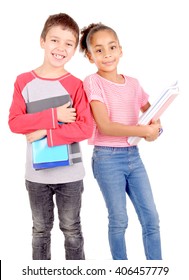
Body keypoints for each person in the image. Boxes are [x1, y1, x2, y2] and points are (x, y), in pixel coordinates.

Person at [8, 13, 93, 260]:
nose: (61, 48)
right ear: (42, 41)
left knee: (72, 230)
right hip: (36, 175)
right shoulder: (24, 81)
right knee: (40, 231)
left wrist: (45, 132)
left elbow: (85, 128)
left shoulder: (76, 85)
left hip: (70, 174)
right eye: (55, 40)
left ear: (75, 48)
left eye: (69, 43)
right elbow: (15, 123)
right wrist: (54, 115)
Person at [79, 23, 162, 260]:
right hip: (107, 158)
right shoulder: (93, 82)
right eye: (99, 50)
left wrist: (156, 129)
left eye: (111, 48)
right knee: (119, 220)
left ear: (121, 50)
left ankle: (156, 269)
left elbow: (152, 113)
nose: (107, 55)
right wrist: (143, 130)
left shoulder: (133, 83)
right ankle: (120, 270)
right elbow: (104, 125)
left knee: (151, 218)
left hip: (134, 156)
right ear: (90, 56)